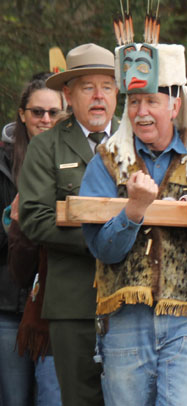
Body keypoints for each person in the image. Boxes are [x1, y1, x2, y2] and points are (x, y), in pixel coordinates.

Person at [80, 19, 187, 404]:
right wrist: (133, 211)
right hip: (126, 319)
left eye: (151, 101)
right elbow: (104, 251)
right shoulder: (107, 161)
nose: (141, 112)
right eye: (133, 102)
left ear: (175, 103)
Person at [18, 43, 117, 406]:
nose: (97, 96)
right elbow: (35, 219)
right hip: (73, 302)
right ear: (68, 94)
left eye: (106, 86)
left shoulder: (136, 140)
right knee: (80, 399)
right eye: (87, 86)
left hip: (130, 301)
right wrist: (108, 240)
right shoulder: (47, 147)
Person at [0, 72, 64, 406]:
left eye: (54, 113)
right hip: (9, 303)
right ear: (23, 114)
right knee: (14, 398)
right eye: (38, 112)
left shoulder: (75, 159)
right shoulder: (3, 162)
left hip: (56, 303)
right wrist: (12, 222)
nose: (46, 119)